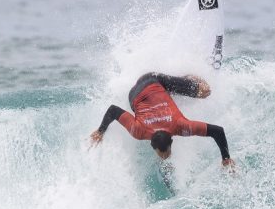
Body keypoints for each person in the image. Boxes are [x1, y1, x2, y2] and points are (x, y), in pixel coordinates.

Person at [89, 72, 234, 168]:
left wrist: (226, 158)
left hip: (154, 82)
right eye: (164, 154)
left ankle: (190, 79)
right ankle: (179, 85)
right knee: (155, 100)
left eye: (164, 154)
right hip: (142, 88)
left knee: (204, 92)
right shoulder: (138, 130)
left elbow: (218, 131)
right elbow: (113, 110)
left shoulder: (181, 126)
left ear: (172, 140)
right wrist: (100, 131)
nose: (164, 156)